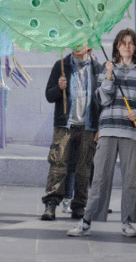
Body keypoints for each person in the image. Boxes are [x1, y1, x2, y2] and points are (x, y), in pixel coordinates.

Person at [68, 29, 136, 238]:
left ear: (135, 47)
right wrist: (108, 76)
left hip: (131, 133)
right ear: (117, 46)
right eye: (123, 43)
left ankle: (128, 222)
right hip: (108, 130)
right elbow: (102, 100)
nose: (127, 46)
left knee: (131, 180)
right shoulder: (105, 70)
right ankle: (87, 221)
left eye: (131, 43)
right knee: (99, 178)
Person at [41, 44, 103, 221]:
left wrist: (100, 126)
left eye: (81, 41)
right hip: (65, 126)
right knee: (58, 164)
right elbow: (49, 96)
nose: (77, 45)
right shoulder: (61, 65)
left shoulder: (98, 69)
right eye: (74, 41)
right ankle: (51, 204)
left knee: (84, 168)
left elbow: (103, 99)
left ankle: (79, 205)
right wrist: (58, 88)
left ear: (89, 45)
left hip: (89, 126)